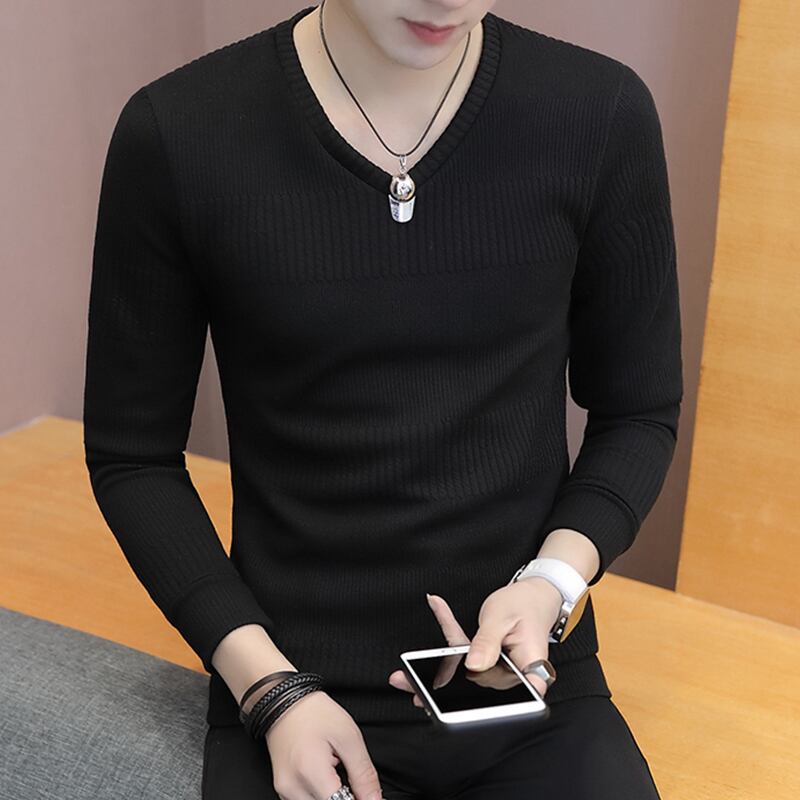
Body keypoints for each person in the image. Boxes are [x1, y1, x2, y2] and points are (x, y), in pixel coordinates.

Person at [83, 1, 682, 798]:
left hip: (529, 675)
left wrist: (552, 585)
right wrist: (269, 690)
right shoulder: (178, 131)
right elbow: (133, 457)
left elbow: (638, 412)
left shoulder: (599, 113)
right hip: (293, 683)